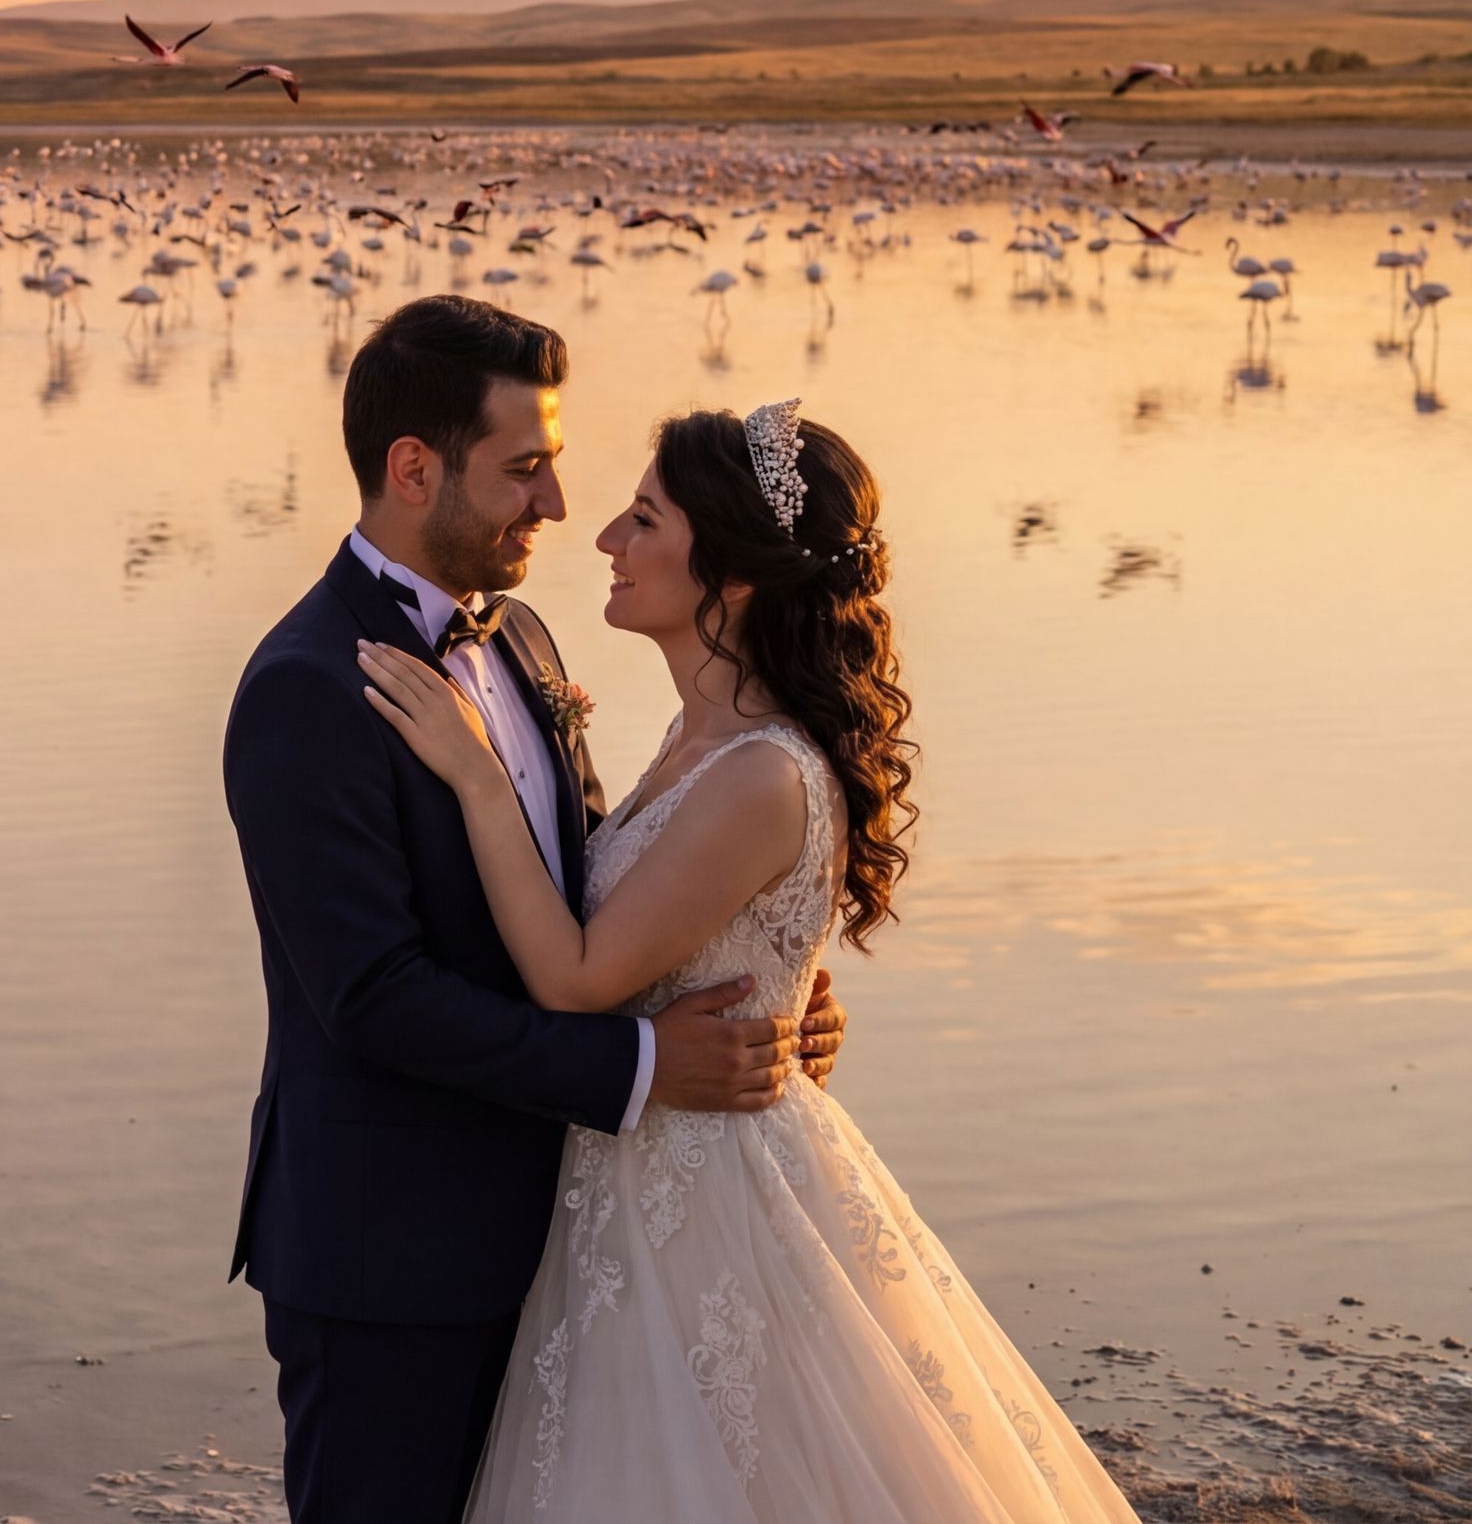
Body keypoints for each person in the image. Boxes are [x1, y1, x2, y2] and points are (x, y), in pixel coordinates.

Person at [358, 398, 1140, 1521]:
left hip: (707, 1193)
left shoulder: (759, 774)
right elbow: (708, 936)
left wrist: (479, 778)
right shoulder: (699, 740)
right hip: (641, 1178)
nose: (604, 542)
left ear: (727, 573)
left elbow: (579, 978)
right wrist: (794, 993)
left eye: (641, 520)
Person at [221, 297, 844, 1524]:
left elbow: (599, 885)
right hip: (387, 1256)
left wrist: (769, 986)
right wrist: (649, 1062)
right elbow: (372, 1000)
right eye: (524, 469)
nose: (559, 504)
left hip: (569, 1242)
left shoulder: (528, 646)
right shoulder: (305, 689)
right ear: (414, 469)